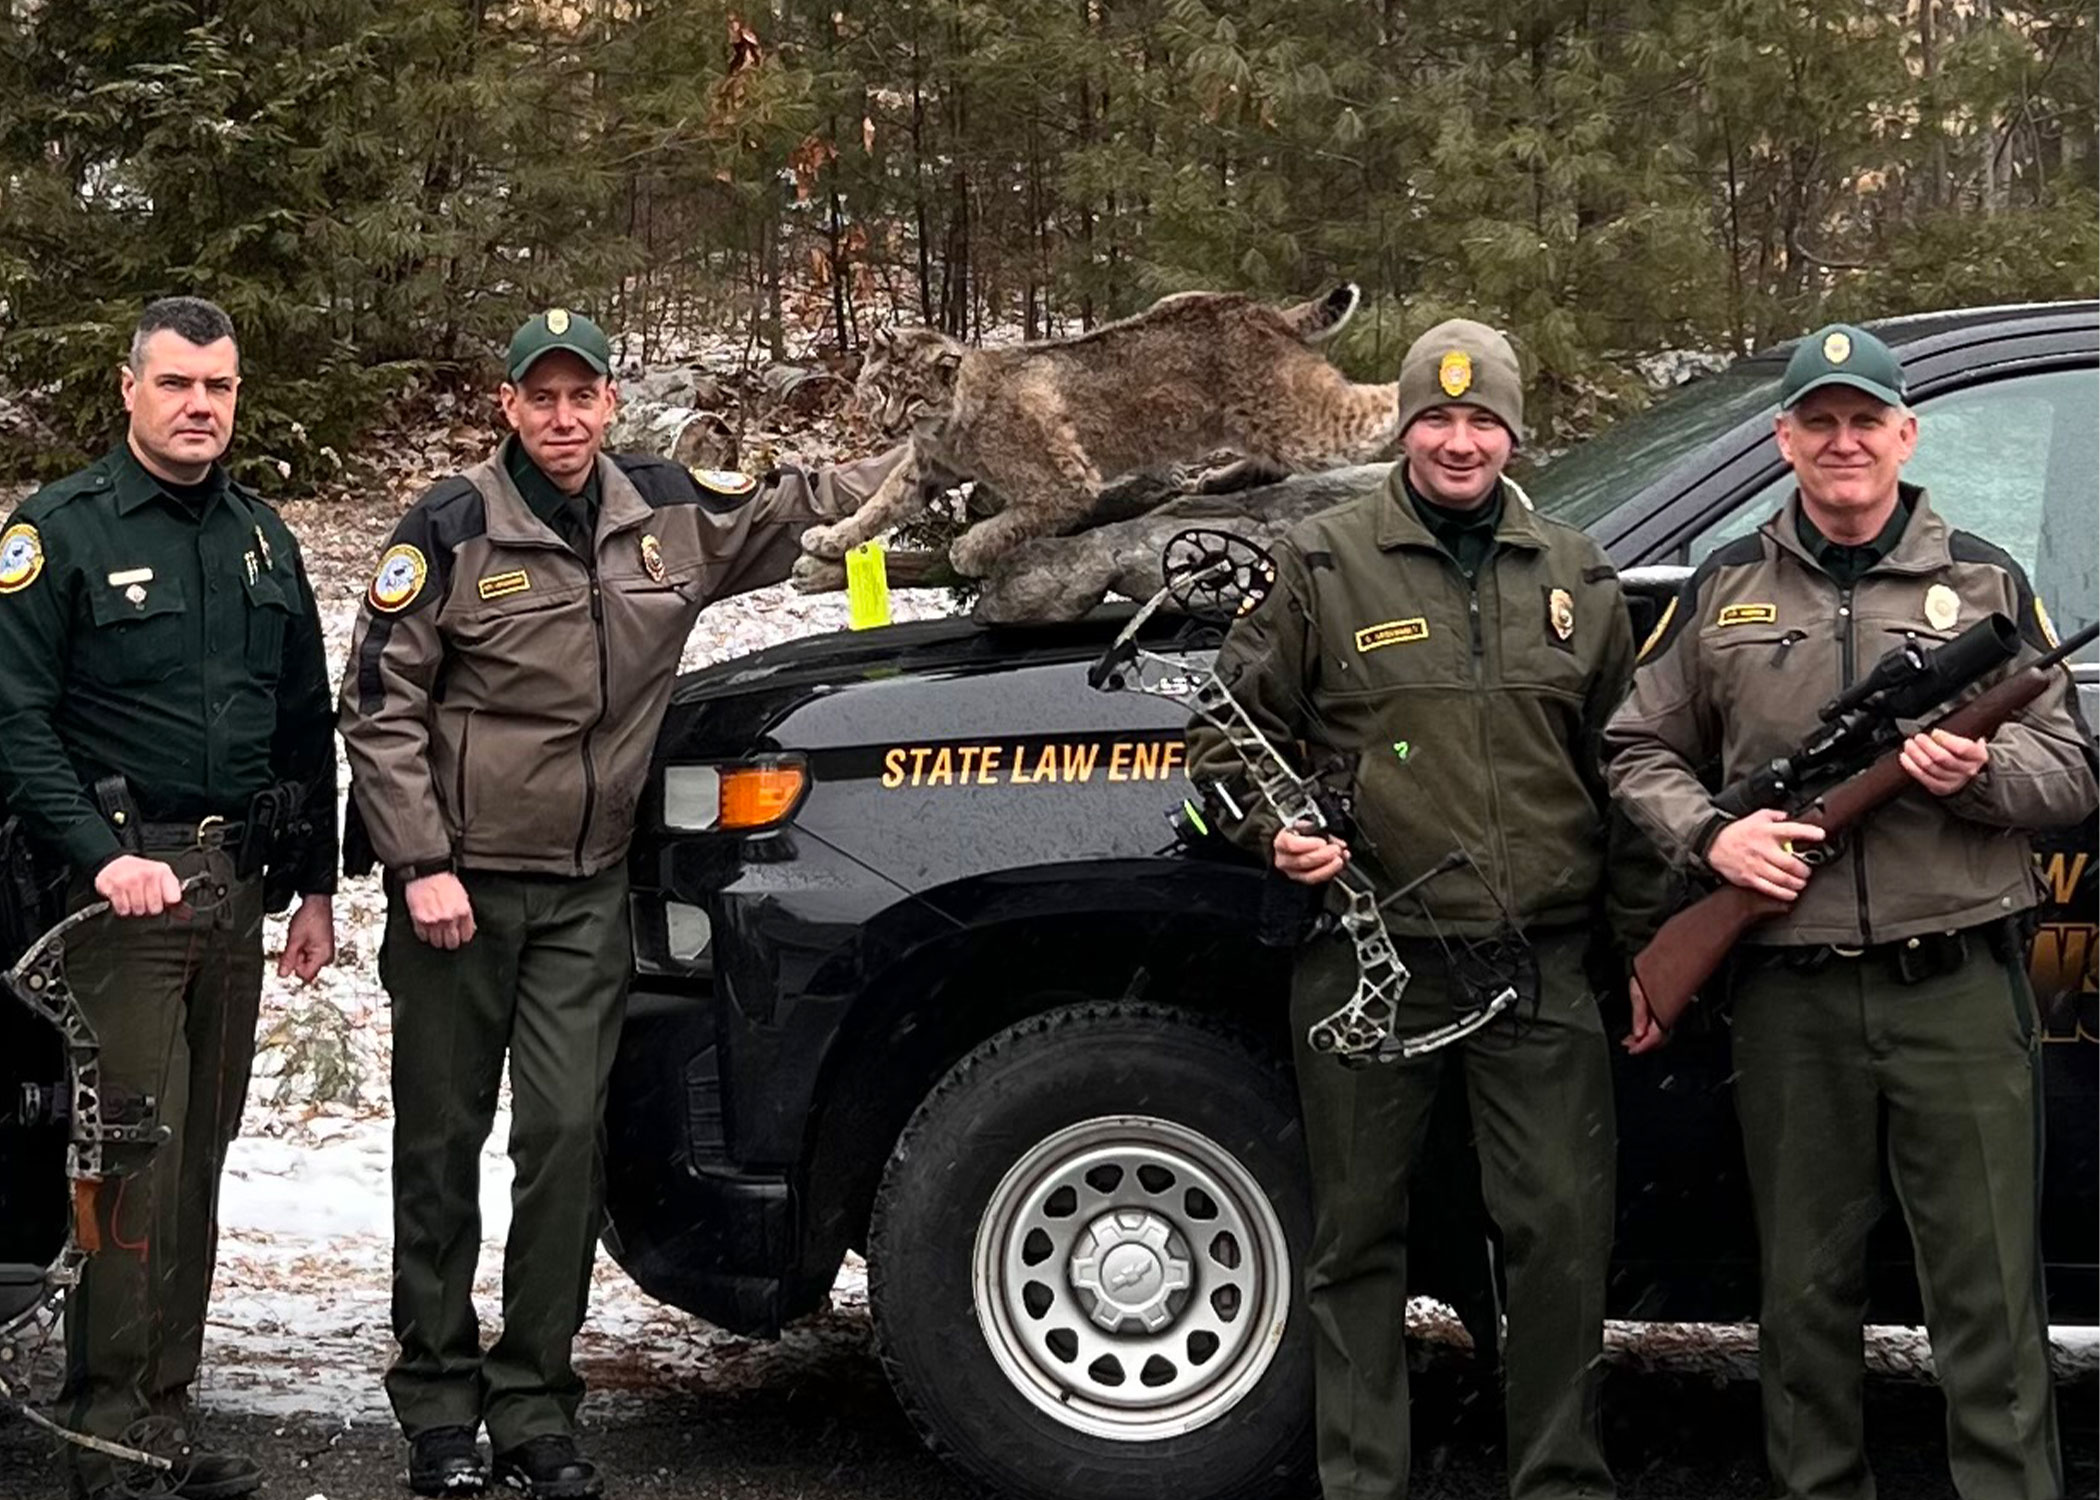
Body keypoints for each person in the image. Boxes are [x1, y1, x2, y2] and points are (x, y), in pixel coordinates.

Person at [338, 308, 915, 1500]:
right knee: (440, 1148)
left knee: (563, 1142)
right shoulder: (448, 527)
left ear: (610, 403)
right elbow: (381, 704)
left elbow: (809, 503)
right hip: (458, 896)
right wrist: (420, 863)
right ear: (508, 406)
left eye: (581, 396)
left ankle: (536, 1407)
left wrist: (943, 453)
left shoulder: (667, 511)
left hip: (584, 894)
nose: (562, 418)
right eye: (540, 397)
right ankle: (437, 1406)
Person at [1604, 323, 2096, 1500]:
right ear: (1784, 440)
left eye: (1865, 421)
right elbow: (1635, 748)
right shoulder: (1725, 586)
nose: (1844, 443)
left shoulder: (1984, 583)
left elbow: (2071, 773)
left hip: (1958, 994)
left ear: (1905, 435)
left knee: (1988, 1299)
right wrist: (1714, 836)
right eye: (1818, 423)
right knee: (1806, 1298)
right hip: (1793, 996)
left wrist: (1973, 775)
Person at [1187, 319, 1657, 1500]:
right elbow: (1226, 741)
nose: (1459, 441)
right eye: (1437, 418)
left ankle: (1559, 1479)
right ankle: (1363, 1480)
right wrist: (1274, 830)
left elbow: (1631, 770)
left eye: (1481, 419)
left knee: (1560, 1238)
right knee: (1357, 1240)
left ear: (1513, 434)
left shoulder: (1578, 576)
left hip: (1537, 967)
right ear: (1404, 428)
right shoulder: (1324, 563)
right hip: (1368, 959)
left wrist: (1648, 947)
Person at [0, 295, 338, 1499]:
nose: (201, 406)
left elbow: (305, 721)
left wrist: (314, 888)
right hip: (121, 904)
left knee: (199, 1153)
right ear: (130, 388)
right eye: (178, 383)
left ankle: (166, 1409)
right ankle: (106, 1424)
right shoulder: (60, 533)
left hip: (232, 890)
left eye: (220, 387)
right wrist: (101, 854)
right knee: (127, 1153)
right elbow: (15, 722)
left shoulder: (262, 541)